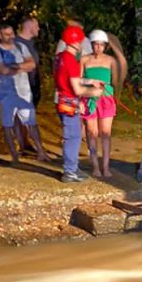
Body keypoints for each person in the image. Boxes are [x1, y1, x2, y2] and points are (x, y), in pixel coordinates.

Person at [0, 23, 48, 165]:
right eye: (6, 35)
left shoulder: (21, 47)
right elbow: (3, 70)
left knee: (31, 122)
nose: (10, 37)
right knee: (8, 124)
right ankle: (14, 156)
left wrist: (15, 67)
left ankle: (41, 152)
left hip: (23, 91)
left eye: (11, 34)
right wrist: (22, 67)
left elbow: (32, 64)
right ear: (0, 35)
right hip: (6, 93)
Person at [53, 24, 104, 183]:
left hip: (62, 100)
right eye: (81, 41)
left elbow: (72, 79)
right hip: (69, 103)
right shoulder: (72, 61)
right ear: (75, 42)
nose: (83, 44)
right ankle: (69, 172)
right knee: (73, 137)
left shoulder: (60, 57)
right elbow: (77, 89)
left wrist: (91, 81)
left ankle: (73, 167)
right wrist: (93, 93)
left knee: (73, 136)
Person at [81, 29, 127, 178]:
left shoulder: (110, 60)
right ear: (91, 45)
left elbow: (116, 80)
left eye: (101, 45)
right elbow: (76, 79)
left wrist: (113, 93)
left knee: (105, 134)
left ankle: (106, 167)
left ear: (105, 46)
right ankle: (95, 166)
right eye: (95, 45)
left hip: (106, 97)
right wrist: (90, 82)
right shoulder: (84, 60)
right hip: (89, 98)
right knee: (91, 133)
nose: (98, 48)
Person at [14, 16, 48, 158]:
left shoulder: (29, 43)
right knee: (26, 117)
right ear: (29, 26)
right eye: (37, 25)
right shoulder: (16, 44)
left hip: (31, 85)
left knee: (23, 117)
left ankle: (24, 144)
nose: (39, 29)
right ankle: (35, 149)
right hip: (21, 87)